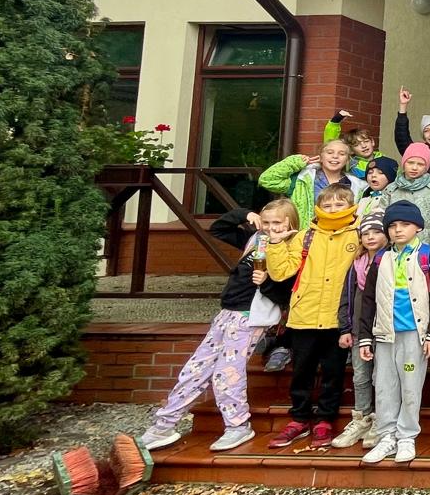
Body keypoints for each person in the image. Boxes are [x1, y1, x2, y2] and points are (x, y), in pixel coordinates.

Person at [138, 198, 298, 452]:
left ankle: (238, 426)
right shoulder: (255, 239)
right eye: (266, 222)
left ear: (290, 221)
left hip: (250, 316)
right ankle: (164, 425)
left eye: (276, 222)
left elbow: (286, 293)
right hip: (227, 313)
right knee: (195, 369)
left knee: (227, 373)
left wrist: (265, 282)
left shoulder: (291, 246)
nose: (269, 227)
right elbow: (218, 229)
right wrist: (245, 214)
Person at [264, 184, 360, 450]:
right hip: (305, 314)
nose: (332, 209)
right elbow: (281, 272)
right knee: (302, 371)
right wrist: (276, 243)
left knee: (333, 372)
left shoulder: (360, 234)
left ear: (350, 205)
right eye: (327, 205)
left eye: (339, 204)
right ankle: (299, 417)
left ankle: (325, 419)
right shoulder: (305, 236)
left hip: (337, 318)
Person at [358, 200, 430, 465]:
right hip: (385, 334)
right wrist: (365, 335)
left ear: (418, 227)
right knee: (385, 385)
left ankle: (407, 435)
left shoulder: (428, 256)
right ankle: (387, 435)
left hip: (414, 335)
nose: (398, 230)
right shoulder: (380, 257)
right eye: (393, 226)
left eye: (405, 225)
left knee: (410, 385)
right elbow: (368, 299)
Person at [332, 211, 389, 449]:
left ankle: (381, 420)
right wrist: (345, 328)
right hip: (357, 330)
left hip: (382, 331)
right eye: (365, 233)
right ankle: (361, 418)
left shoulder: (389, 261)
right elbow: (347, 297)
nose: (370, 237)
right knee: (360, 376)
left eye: (376, 232)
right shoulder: (356, 265)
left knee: (381, 377)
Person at [257, 138, 365, 230]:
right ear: (321, 157)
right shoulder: (301, 179)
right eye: (330, 152)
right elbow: (267, 180)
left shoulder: (356, 185)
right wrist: (294, 162)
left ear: (347, 160)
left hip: (339, 241)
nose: (335, 156)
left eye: (341, 154)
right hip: (304, 239)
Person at [380, 142, 430, 255]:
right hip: (395, 249)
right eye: (410, 162)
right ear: (404, 163)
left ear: (426, 167)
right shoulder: (391, 189)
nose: (414, 167)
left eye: (420, 164)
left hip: (423, 249)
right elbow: (382, 219)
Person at [325, 108, 389, 180]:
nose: (363, 146)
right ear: (351, 150)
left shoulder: (386, 160)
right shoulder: (350, 163)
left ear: (372, 142)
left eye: (366, 141)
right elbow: (330, 144)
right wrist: (336, 120)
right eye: (357, 144)